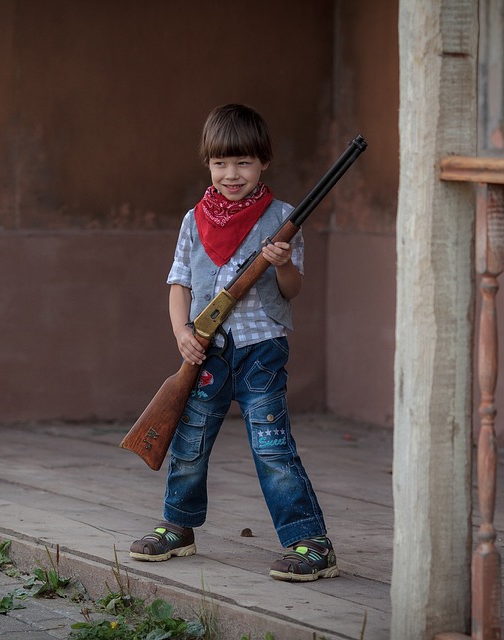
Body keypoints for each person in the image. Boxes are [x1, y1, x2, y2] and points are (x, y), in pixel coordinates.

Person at [129, 104, 337, 582]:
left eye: (243, 162)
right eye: (221, 163)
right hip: (205, 351)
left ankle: (311, 541)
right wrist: (182, 333)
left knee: (271, 447)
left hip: (261, 350)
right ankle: (178, 526)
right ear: (208, 164)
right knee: (189, 443)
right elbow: (179, 283)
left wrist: (281, 262)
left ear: (263, 162)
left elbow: (292, 289)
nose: (231, 173)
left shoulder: (283, 218)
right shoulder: (193, 220)